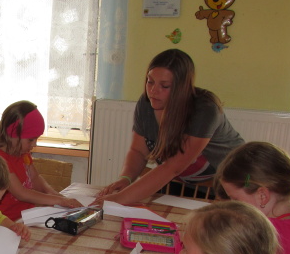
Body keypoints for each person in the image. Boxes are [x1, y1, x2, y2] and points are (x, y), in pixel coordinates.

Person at [93, 49, 243, 205]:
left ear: (182, 88)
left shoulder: (205, 109)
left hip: (227, 187)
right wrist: (126, 179)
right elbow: (138, 151)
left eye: (164, 86)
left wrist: (118, 199)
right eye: (150, 81)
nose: (153, 91)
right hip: (179, 182)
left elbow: (173, 167)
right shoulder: (146, 103)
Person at [0, 101, 83, 220]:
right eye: (30, 140)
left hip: (26, 217)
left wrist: (59, 196)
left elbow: (35, 178)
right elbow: (21, 193)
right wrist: (60, 200)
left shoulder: (23, 154)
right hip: (6, 222)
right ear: (12, 133)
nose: (34, 144)